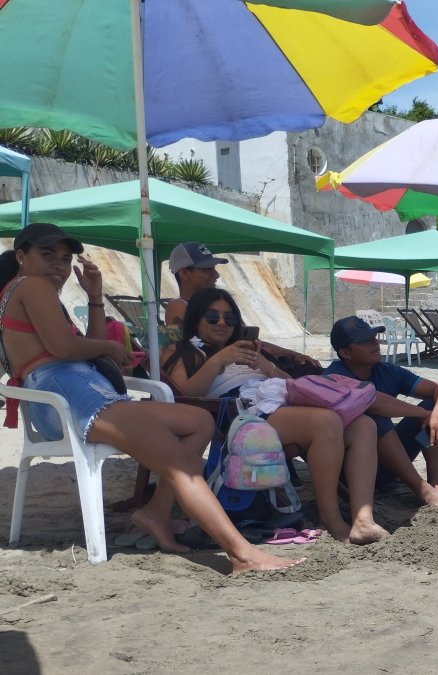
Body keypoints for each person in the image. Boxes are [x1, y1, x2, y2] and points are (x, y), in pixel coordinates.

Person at [0, 223, 300, 573]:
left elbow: (91, 352)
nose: (59, 266)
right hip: (71, 395)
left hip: (80, 390)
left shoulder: (33, 291)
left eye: (65, 259)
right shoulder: (35, 286)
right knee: (180, 462)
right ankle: (241, 553)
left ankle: (156, 511)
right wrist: (112, 345)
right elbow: (70, 348)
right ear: (22, 257)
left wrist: (95, 297)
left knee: (198, 421)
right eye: (47, 255)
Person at [161, 287, 389, 543]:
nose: (222, 323)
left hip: (278, 401)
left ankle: (362, 519)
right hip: (241, 416)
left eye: (230, 318)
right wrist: (218, 361)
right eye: (212, 317)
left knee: (363, 425)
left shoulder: (246, 350)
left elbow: (292, 385)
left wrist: (266, 365)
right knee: (325, 421)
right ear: (195, 319)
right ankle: (332, 519)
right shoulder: (184, 351)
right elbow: (185, 395)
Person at [323, 316, 438, 507]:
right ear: (345, 352)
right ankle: (422, 490)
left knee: (434, 407)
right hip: (351, 471)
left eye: (374, 337)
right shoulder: (332, 377)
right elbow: (373, 401)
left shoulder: (385, 370)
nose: (374, 343)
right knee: (374, 421)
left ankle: (436, 484)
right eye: (364, 341)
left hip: (390, 464)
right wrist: (424, 415)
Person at [164, 242, 319, 374]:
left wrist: (293, 354)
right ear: (184, 273)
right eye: (207, 270)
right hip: (239, 373)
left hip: (258, 366)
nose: (216, 275)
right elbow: (176, 349)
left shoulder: (217, 305)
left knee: (316, 372)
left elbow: (257, 343)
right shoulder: (177, 306)